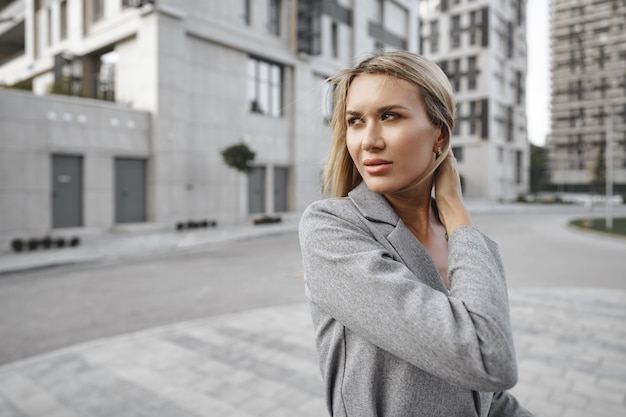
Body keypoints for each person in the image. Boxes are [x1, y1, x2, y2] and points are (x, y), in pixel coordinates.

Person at [298, 51, 533, 416]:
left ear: (439, 132)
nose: (368, 140)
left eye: (389, 116)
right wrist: (456, 208)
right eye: (355, 121)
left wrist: (458, 224)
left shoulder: (475, 248)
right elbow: (488, 359)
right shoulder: (332, 227)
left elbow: (486, 397)